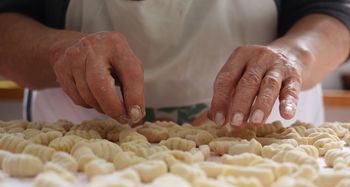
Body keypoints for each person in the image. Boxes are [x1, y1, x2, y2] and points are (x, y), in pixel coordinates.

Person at [0, 0, 349, 126]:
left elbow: (333, 14)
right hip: (75, 155)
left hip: (262, 147)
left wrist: (296, 54)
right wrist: (58, 50)